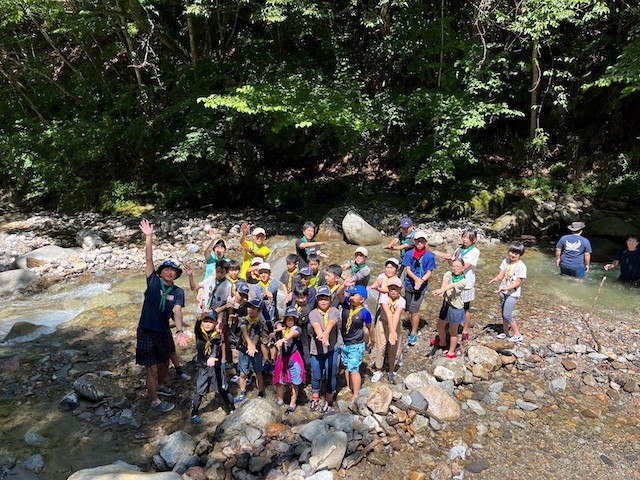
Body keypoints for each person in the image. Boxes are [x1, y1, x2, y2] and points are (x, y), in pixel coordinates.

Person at [136, 219, 189, 413]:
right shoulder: (153, 282)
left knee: (165, 362)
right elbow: (149, 260)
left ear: (176, 275)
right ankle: (155, 401)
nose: (169, 272)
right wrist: (149, 237)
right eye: (166, 269)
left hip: (164, 330)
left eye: (173, 270)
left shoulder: (179, 291)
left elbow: (177, 311)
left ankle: (161, 385)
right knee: (151, 368)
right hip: (147, 330)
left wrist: (181, 330)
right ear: (161, 272)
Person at [190, 312, 235, 424]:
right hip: (203, 368)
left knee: (222, 388)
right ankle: (194, 412)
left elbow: (215, 348)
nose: (208, 324)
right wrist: (198, 318)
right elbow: (196, 327)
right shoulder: (200, 334)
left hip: (216, 368)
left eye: (211, 322)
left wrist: (212, 357)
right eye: (205, 321)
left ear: (215, 323)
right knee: (199, 391)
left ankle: (232, 408)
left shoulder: (217, 336)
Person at [442, 229, 480, 341]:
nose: (465, 239)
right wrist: (449, 259)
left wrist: (455, 263)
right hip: (454, 281)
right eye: (464, 237)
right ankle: (452, 325)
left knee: (465, 308)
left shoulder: (475, 252)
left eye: (468, 238)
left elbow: (464, 266)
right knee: (451, 304)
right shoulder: (459, 249)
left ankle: (465, 329)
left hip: (466, 283)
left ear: (474, 240)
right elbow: (453, 265)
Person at [308, 285, 340, 412]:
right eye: (320, 298)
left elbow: (332, 322)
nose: (323, 300)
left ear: (330, 299)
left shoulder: (334, 311)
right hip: (316, 350)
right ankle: (315, 398)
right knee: (316, 374)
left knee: (330, 374)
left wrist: (325, 335)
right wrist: (321, 336)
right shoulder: (313, 313)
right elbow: (316, 325)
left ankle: (329, 400)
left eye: (325, 298)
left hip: (331, 349)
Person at [402, 231, 437, 346]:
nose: (420, 243)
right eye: (418, 240)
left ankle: (413, 332)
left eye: (422, 241)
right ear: (414, 241)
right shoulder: (409, 254)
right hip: (409, 284)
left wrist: (420, 281)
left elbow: (429, 271)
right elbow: (407, 269)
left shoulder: (430, 256)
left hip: (421, 287)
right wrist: (416, 279)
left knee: (414, 310)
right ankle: (412, 323)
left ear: (425, 242)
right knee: (408, 307)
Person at [339, 285, 374, 398]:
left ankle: (356, 394)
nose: (351, 297)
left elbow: (370, 327)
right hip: (345, 343)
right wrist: (344, 285)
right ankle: (349, 387)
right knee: (346, 366)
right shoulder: (346, 306)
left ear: (362, 299)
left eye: (354, 295)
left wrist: (372, 340)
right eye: (350, 294)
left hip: (356, 344)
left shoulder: (364, 313)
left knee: (354, 369)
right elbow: (339, 294)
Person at [489, 242, 527, 342]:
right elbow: (501, 274)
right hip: (502, 291)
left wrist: (507, 288)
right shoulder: (506, 261)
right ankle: (505, 333)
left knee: (507, 315)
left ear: (520, 255)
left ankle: (517, 334)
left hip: (513, 294)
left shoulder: (521, 266)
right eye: (511, 252)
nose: (513, 255)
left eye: (516, 253)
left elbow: (518, 282)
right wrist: (495, 279)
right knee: (503, 314)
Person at [272, 306, 306, 414]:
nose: (290, 321)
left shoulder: (296, 329)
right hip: (282, 357)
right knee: (279, 381)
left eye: (292, 319)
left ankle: (292, 403)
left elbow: (293, 333)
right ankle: (280, 400)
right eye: (288, 318)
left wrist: (284, 339)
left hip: (293, 358)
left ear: (295, 319)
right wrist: (278, 328)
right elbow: (277, 323)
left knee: (295, 382)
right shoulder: (283, 328)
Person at [371, 277, 405, 383]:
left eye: (396, 289)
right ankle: (378, 369)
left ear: (400, 290)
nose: (393, 291)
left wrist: (393, 332)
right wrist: (392, 331)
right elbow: (389, 313)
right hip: (383, 322)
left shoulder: (402, 301)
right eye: (391, 288)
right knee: (381, 346)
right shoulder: (384, 298)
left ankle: (391, 369)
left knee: (394, 347)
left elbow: (396, 316)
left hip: (395, 324)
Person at [432, 259, 467, 358]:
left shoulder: (463, 281)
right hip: (446, 304)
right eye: (454, 266)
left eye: (458, 267)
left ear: (463, 268)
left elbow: (451, 285)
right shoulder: (448, 273)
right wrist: (441, 291)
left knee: (453, 332)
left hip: (455, 308)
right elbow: (445, 282)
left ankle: (451, 351)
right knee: (439, 326)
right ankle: (442, 342)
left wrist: (442, 290)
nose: (455, 269)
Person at [234, 298, 267, 403]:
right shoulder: (243, 319)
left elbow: (257, 336)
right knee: (243, 372)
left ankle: (261, 392)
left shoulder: (260, 323)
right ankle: (242, 391)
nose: (250, 310)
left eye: (253, 308)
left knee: (258, 372)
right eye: (249, 307)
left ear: (259, 311)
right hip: (244, 350)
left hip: (255, 352)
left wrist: (252, 346)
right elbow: (244, 330)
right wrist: (249, 344)